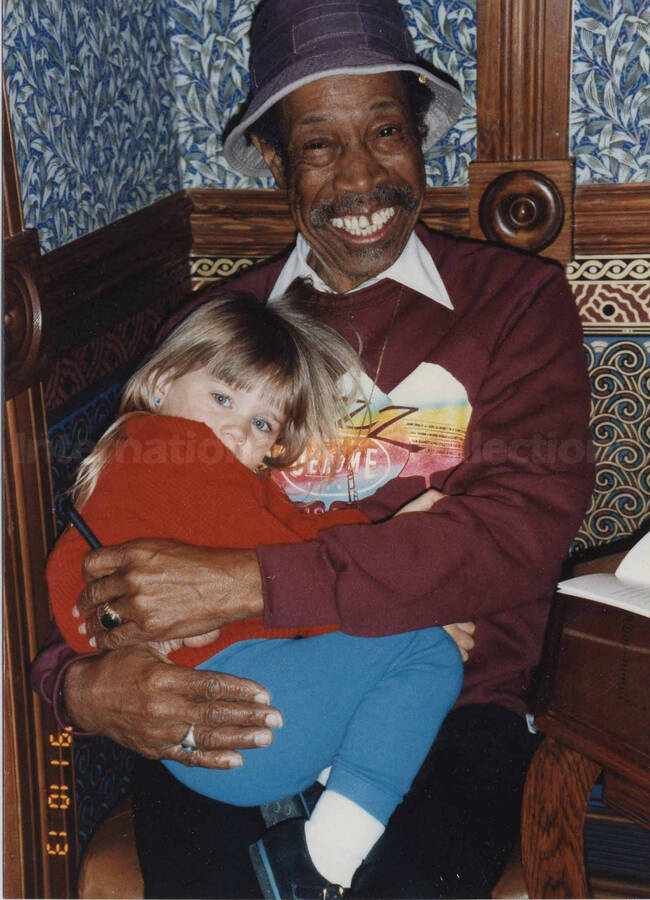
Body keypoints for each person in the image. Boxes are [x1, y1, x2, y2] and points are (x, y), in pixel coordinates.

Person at [32, 0, 595, 895]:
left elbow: (516, 532)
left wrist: (253, 580)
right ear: (274, 159)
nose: (364, 177)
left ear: (420, 138)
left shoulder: (516, 304)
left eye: (386, 133)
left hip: (448, 703)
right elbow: (102, 538)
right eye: (322, 145)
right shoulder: (218, 336)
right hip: (227, 694)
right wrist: (82, 689)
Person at [46, 284, 463, 896]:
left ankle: (335, 796)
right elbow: (289, 564)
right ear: (160, 381)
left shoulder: (148, 464)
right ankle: (325, 861)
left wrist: (389, 541)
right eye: (221, 397)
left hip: (225, 730)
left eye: (260, 422)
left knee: (397, 661)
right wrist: (393, 598)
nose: (236, 432)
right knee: (427, 652)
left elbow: (297, 536)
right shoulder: (167, 451)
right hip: (244, 708)